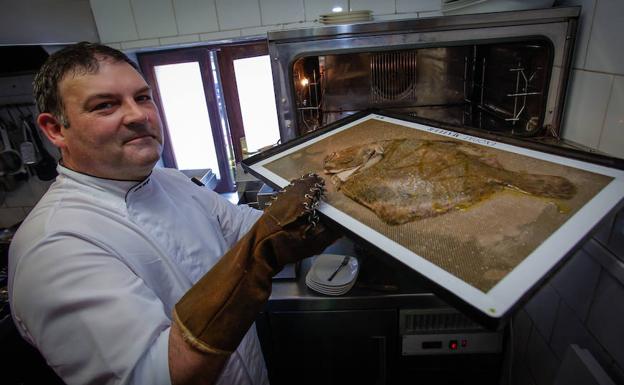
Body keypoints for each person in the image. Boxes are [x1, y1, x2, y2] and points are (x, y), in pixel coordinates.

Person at [8, 42, 337, 385]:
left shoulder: (171, 181)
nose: (139, 115)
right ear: (55, 129)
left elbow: (246, 229)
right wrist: (260, 254)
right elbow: (158, 376)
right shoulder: (54, 246)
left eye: (143, 97)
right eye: (105, 105)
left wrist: (339, 204)